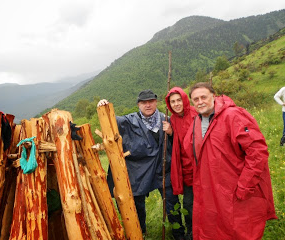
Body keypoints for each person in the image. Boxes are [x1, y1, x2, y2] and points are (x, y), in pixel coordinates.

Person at [183, 82, 277, 240]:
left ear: (214, 96)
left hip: (235, 189)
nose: (200, 102)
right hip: (211, 189)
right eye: (195, 99)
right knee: (216, 229)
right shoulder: (197, 121)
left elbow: (257, 152)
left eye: (203, 97)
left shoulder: (233, 115)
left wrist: (245, 185)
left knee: (240, 230)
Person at [97, 89, 185, 239]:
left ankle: (179, 234)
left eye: (151, 101)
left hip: (163, 169)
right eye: (144, 102)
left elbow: (179, 141)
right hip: (139, 171)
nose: (148, 105)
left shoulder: (167, 120)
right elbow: (110, 121)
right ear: (138, 104)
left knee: (172, 203)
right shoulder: (129, 121)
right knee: (137, 205)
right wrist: (102, 106)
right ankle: (140, 232)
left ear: (156, 102)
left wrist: (171, 133)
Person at [163, 87, 198, 240]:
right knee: (189, 204)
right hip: (185, 168)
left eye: (179, 100)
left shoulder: (196, 115)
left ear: (184, 99)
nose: (176, 104)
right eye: (173, 102)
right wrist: (171, 133)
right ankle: (192, 232)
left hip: (200, 167)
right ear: (169, 104)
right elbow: (177, 142)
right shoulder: (173, 119)